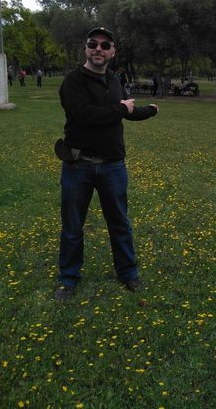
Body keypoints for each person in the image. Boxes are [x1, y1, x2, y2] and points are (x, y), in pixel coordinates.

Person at [54, 27, 159, 301]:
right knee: (73, 227)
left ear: (112, 52)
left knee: (120, 223)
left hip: (113, 166)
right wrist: (122, 109)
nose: (98, 49)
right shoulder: (73, 81)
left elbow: (124, 111)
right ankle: (68, 279)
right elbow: (84, 114)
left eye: (104, 45)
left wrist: (148, 111)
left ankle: (128, 273)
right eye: (93, 44)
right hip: (78, 165)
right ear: (85, 49)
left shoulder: (113, 79)